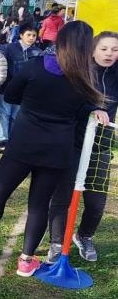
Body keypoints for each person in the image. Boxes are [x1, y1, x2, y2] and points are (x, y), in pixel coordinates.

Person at [0, 21, 109, 276]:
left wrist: (34, 102)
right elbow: (83, 109)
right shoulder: (86, 80)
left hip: (22, 145)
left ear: (60, 41)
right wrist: (93, 109)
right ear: (88, 47)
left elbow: (10, 95)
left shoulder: (36, 67)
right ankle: (26, 259)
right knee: (38, 205)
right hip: (56, 151)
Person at [47, 31, 118, 263]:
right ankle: (56, 242)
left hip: (101, 144)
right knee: (62, 198)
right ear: (93, 50)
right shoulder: (81, 72)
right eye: (104, 48)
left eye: (115, 50)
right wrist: (91, 109)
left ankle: (84, 236)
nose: (109, 54)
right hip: (73, 142)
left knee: (96, 203)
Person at [0, 24, 42, 149]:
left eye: (34, 35)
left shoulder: (38, 52)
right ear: (21, 35)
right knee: (4, 114)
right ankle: (3, 139)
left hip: (25, 90)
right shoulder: (8, 48)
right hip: (7, 87)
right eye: (28, 35)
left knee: (16, 115)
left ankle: (12, 138)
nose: (31, 38)